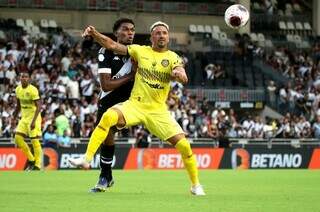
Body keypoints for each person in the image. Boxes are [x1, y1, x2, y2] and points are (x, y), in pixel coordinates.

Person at [69, 21, 205, 195]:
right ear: (151, 37)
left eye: (164, 33)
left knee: (185, 146)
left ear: (168, 37)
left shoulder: (173, 57)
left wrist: (180, 75)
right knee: (108, 117)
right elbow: (111, 44)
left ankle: (195, 185)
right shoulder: (140, 51)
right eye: (158, 33)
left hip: (157, 111)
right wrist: (95, 34)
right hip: (135, 105)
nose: (161, 35)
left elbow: (182, 74)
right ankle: (86, 159)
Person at [89, 18, 136, 192]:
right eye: (125, 29)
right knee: (106, 136)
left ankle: (104, 176)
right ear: (116, 33)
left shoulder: (137, 52)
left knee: (108, 133)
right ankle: (105, 175)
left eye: (132, 30)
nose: (130, 33)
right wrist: (130, 76)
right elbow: (106, 85)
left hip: (131, 104)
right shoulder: (105, 52)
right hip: (109, 101)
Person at [13, 71, 42, 170]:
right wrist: (14, 117)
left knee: (34, 140)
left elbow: (39, 106)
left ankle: (37, 165)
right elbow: (18, 105)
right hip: (24, 117)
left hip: (34, 116)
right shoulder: (18, 89)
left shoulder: (33, 90)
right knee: (17, 138)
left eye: (26, 77)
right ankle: (31, 159)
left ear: (29, 78)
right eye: (22, 77)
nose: (24, 78)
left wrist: (34, 121)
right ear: (20, 78)